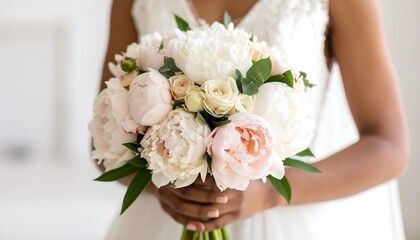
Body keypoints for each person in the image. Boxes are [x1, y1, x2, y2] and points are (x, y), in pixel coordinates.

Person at [98, 0, 409, 239]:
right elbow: (104, 139)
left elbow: (389, 146)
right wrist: (165, 186)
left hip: (291, 220)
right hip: (163, 221)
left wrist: (273, 191)